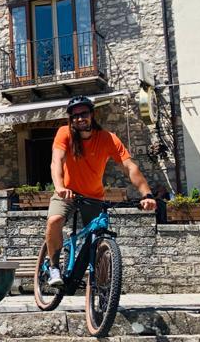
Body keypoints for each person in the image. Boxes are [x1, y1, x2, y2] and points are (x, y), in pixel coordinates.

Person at [45, 96, 157, 285]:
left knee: (98, 240)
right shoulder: (64, 133)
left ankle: (102, 289)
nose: (80, 118)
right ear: (71, 119)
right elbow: (57, 161)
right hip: (67, 192)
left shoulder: (107, 138)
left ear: (92, 114)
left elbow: (129, 167)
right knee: (54, 220)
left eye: (84, 114)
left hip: (93, 196)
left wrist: (147, 194)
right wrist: (60, 187)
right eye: (75, 115)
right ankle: (54, 267)